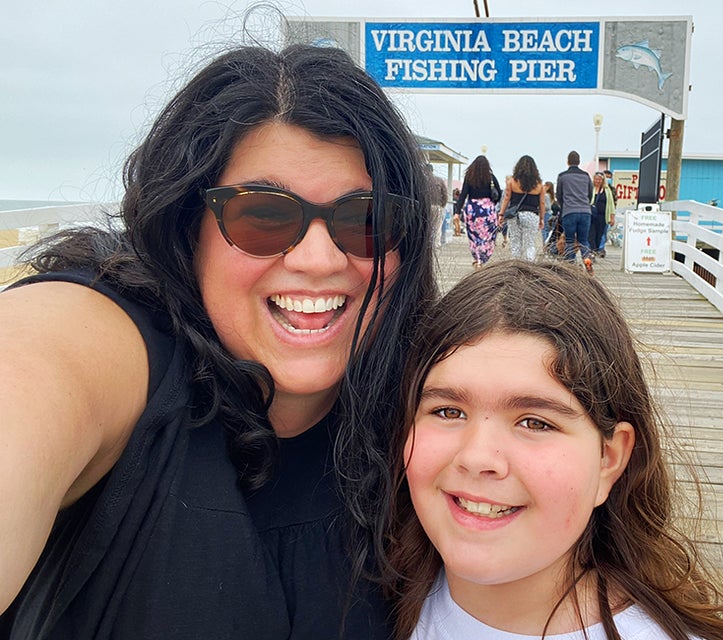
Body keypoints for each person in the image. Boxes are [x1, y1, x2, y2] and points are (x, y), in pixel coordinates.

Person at [0, 44, 437, 639]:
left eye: (364, 219)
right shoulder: (112, 343)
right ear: (189, 230)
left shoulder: (427, 411)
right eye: (264, 216)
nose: (318, 260)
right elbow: (33, 373)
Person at [387, 261, 723, 640]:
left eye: (535, 423)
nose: (477, 457)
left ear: (608, 460)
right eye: (448, 411)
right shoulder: (372, 599)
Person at [455, 155, 503, 268]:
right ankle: (484, 258)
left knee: (474, 235)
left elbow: (463, 195)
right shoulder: (491, 177)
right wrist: (492, 204)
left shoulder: (469, 177)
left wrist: (457, 212)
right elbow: (499, 193)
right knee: (488, 235)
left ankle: (477, 258)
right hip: (487, 210)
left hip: (472, 209)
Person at [497, 155, 545, 262]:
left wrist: (501, 214)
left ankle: (515, 265)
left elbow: (506, 198)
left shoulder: (512, 182)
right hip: (532, 215)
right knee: (530, 244)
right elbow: (542, 203)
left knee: (515, 243)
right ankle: (529, 265)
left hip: (515, 215)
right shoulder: (539, 185)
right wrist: (541, 218)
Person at [555, 151, 594, 272]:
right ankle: (587, 261)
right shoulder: (586, 176)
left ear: (568, 161)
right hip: (585, 211)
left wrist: (564, 206)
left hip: (569, 211)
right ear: (579, 161)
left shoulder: (562, 176)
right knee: (584, 240)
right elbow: (590, 193)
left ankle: (571, 268)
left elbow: (559, 195)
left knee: (570, 240)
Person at [591, 171, 615, 258]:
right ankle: (592, 250)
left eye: (600, 179)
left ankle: (599, 249)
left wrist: (612, 217)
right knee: (591, 234)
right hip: (591, 216)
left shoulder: (607, 190)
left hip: (603, 216)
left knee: (601, 234)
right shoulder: (591, 189)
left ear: (602, 180)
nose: (598, 181)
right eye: (596, 179)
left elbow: (611, 204)